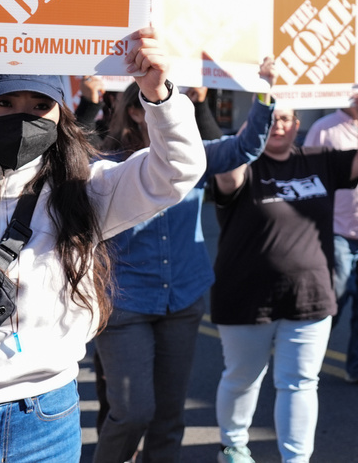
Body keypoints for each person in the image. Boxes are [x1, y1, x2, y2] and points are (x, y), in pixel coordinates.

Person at [0, 28, 206, 462]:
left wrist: (159, 94)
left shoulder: (83, 188)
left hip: (44, 422)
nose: (23, 116)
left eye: (40, 106)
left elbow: (176, 170)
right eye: (3, 103)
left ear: (60, 115)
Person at [90, 61, 276, 463]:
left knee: (169, 418)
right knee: (132, 412)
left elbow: (245, 147)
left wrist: (264, 92)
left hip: (182, 298)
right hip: (125, 303)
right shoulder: (105, 165)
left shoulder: (194, 157)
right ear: (138, 110)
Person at [210, 86, 358, 463]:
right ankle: (233, 446)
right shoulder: (240, 164)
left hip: (309, 296)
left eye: (284, 117)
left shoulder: (318, 160)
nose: (277, 125)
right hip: (245, 296)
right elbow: (227, 179)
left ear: (297, 124)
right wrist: (257, 113)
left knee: (300, 384)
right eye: (270, 118)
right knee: (242, 378)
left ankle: (296, 458)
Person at [302, 74, 358, 386]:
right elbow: (308, 179)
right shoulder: (323, 129)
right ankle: (304, 356)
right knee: (331, 300)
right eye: (354, 87)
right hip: (338, 230)